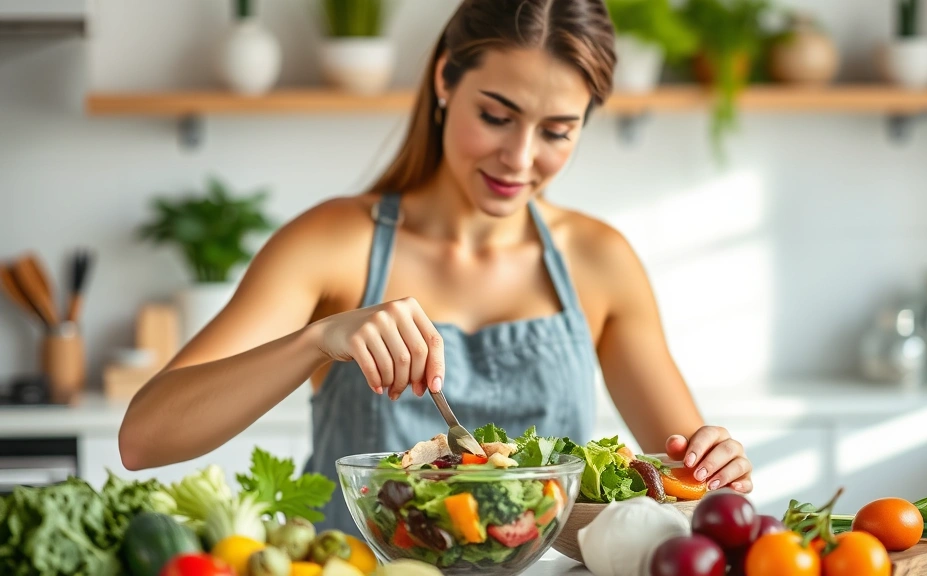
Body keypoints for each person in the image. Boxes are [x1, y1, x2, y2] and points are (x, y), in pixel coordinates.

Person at [118, 0, 754, 535]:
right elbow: (144, 438)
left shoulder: (600, 260)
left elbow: (693, 494)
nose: (519, 158)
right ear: (447, 80)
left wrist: (715, 465)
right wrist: (318, 340)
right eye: (496, 117)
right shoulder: (334, 242)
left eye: (557, 131)